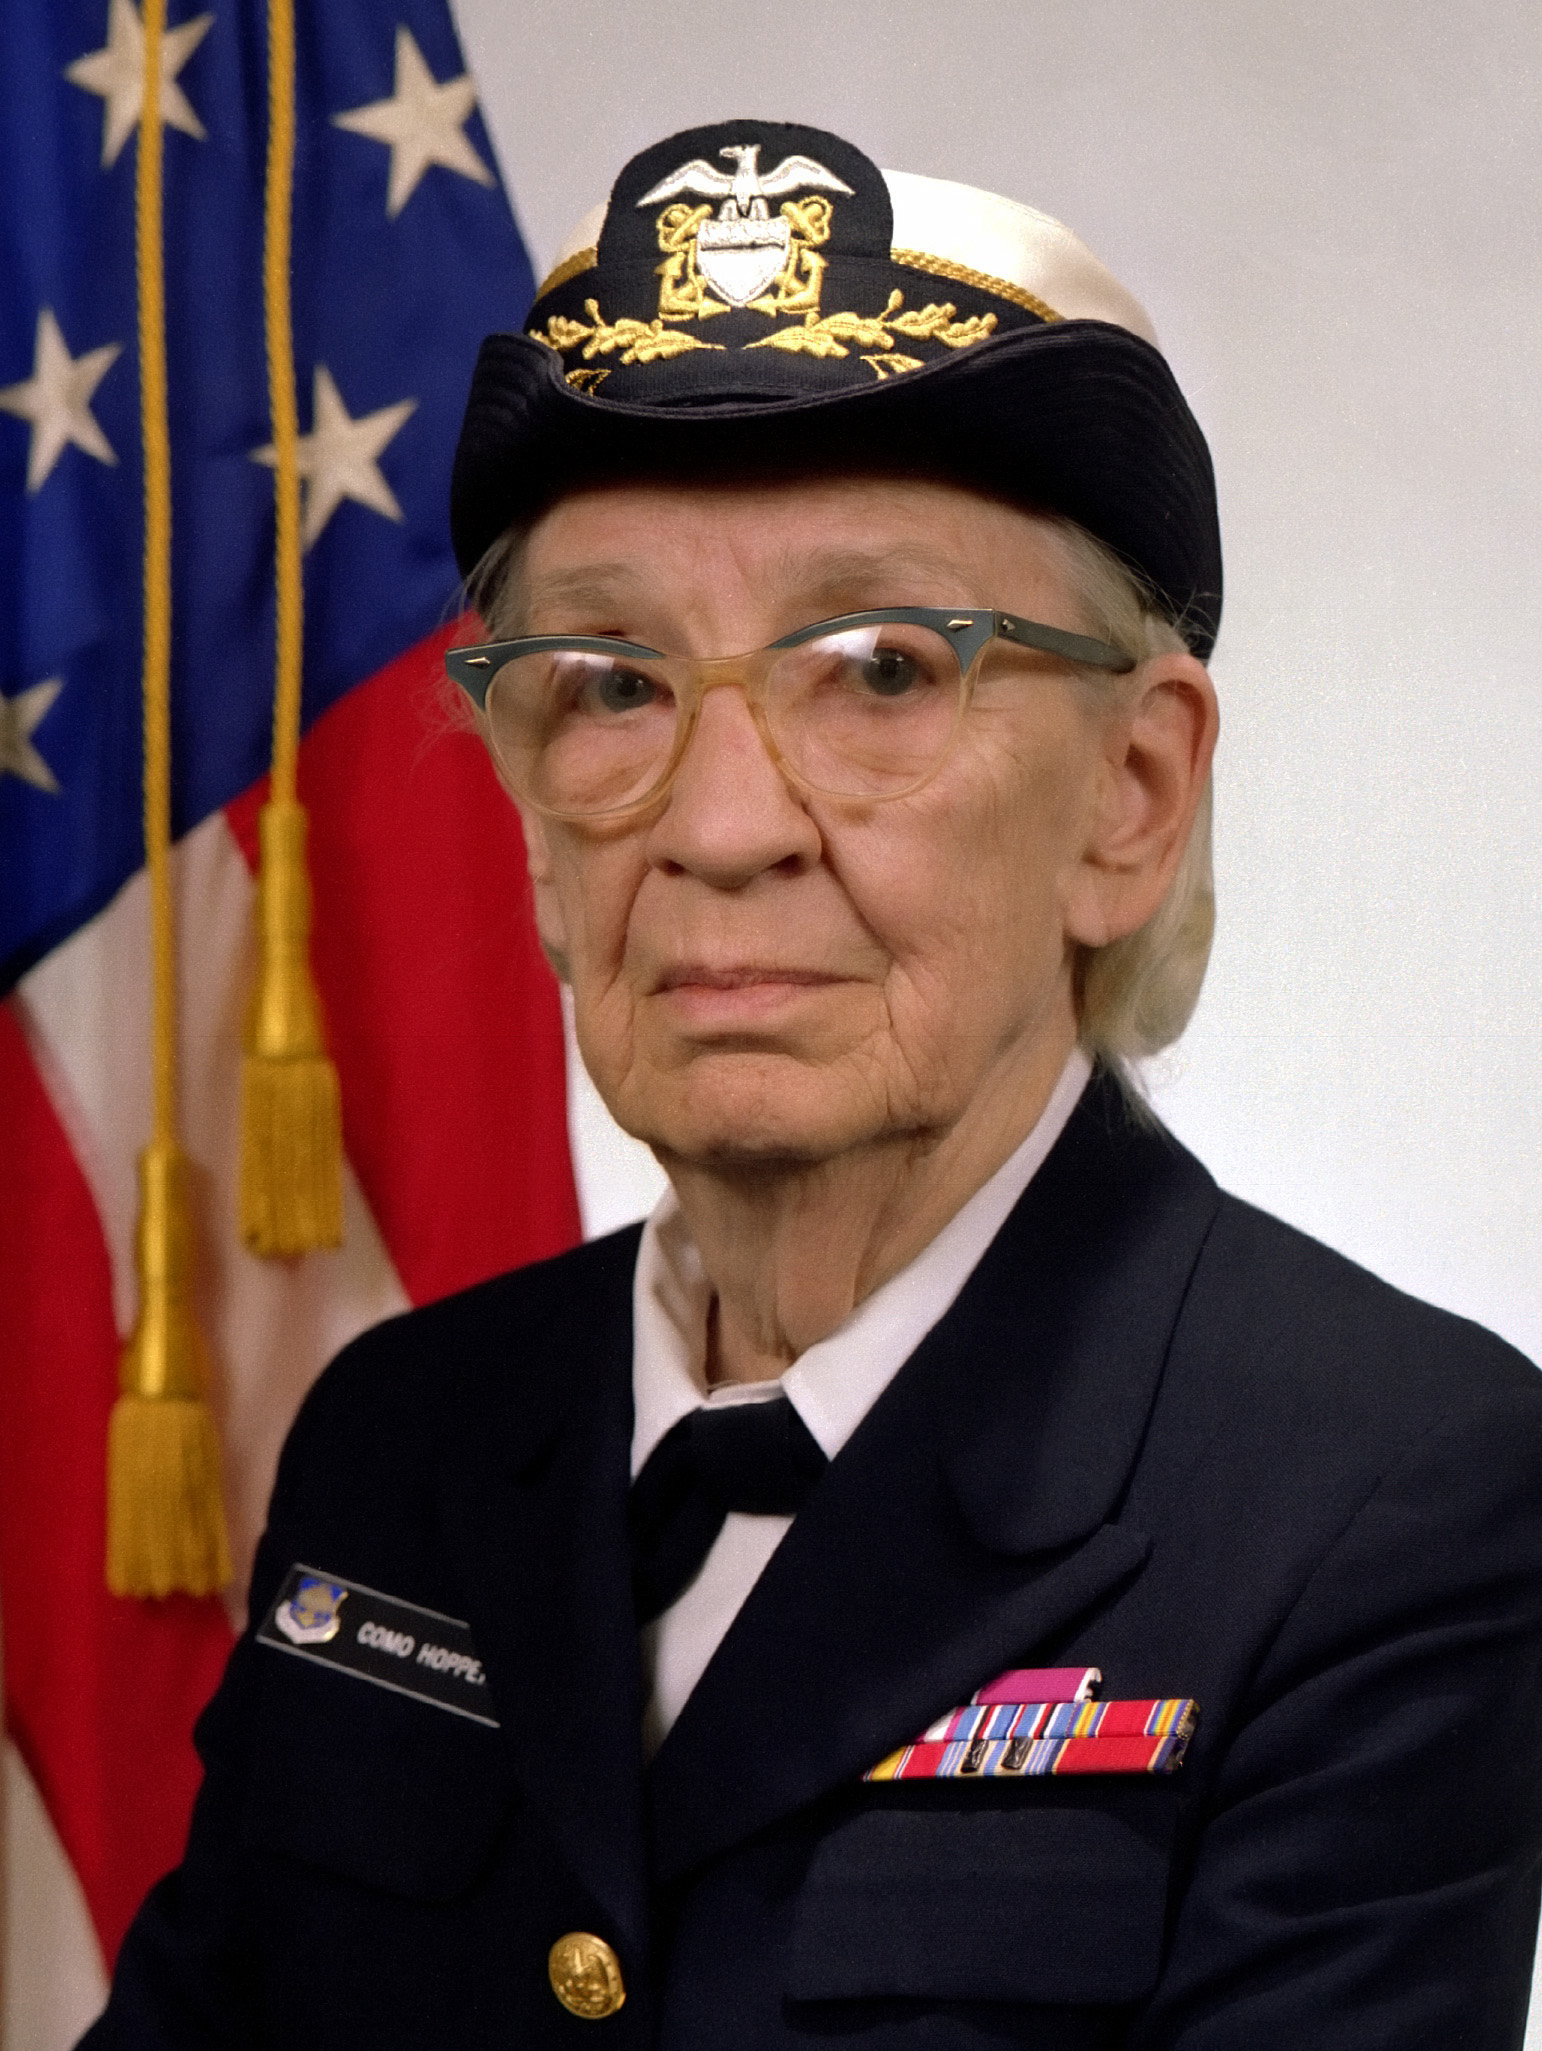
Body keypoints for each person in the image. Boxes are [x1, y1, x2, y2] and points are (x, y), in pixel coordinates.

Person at [86, 119, 1542, 2050]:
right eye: (607, 679)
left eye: (876, 667)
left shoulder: (1382, 1498)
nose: (715, 823)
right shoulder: (404, 1436)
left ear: (1133, 797)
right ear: (531, 826)